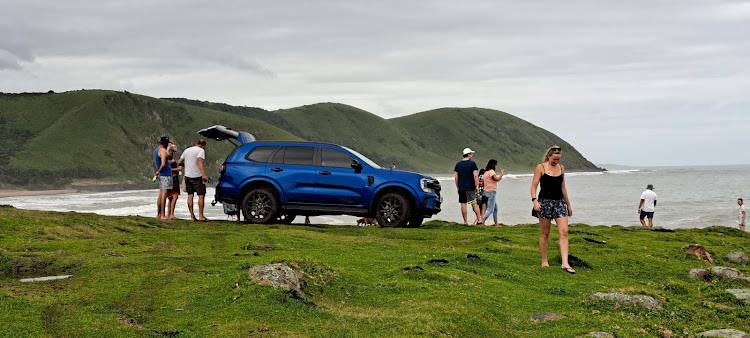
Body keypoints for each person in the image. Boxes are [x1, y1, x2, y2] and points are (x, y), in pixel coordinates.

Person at [530, 146, 575, 274]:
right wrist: (534, 200)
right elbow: (534, 185)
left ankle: (565, 263)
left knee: (564, 231)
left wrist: (569, 205)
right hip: (544, 203)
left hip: (560, 203)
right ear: (549, 156)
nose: (556, 161)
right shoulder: (541, 167)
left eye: (558, 159)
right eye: (554, 159)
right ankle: (544, 261)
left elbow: (563, 188)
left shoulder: (561, 168)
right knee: (545, 233)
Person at [178, 139, 210, 222]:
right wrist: (204, 174)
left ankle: (192, 216)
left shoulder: (187, 150)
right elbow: (199, 161)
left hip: (187, 176)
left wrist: (186, 165)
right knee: (201, 194)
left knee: (190, 195)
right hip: (196, 176)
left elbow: (179, 162)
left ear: (197, 143)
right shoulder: (200, 150)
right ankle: (201, 216)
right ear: (203, 146)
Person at [454, 148, 483, 225]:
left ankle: (465, 222)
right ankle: (479, 220)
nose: (472, 155)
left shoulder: (458, 164)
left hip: (461, 188)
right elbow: (475, 176)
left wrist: (457, 187)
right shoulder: (472, 164)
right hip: (470, 187)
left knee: (463, 204)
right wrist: (477, 185)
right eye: (471, 154)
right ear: (469, 154)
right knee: (474, 203)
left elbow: (456, 177)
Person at [153, 136, 172, 220]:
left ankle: (159, 214)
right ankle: (163, 215)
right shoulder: (163, 151)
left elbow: (169, 157)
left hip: (162, 175)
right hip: (166, 174)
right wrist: (159, 171)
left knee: (161, 194)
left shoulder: (157, 150)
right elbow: (163, 163)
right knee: (164, 194)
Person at [482, 159, 504, 227]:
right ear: (493, 165)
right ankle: (482, 221)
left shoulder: (486, 172)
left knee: (495, 208)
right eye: (496, 165)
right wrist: (501, 174)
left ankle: (496, 223)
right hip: (491, 192)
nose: (496, 166)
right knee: (490, 209)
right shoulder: (491, 171)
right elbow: (496, 179)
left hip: (486, 192)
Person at [165, 143, 182, 220]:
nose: (175, 152)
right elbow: (167, 169)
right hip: (172, 178)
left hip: (174, 178)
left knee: (171, 197)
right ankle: (171, 214)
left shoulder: (171, 158)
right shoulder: (168, 158)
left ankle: (169, 214)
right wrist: (177, 169)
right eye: (174, 150)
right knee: (174, 195)